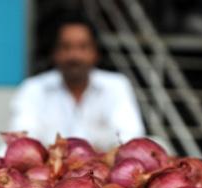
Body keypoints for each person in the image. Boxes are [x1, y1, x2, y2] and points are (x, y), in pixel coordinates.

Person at [8, 14, 145, 151]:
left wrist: (86, 157)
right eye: (66, 47)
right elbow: (21, 140)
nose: (74, 55)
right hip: (49, 167)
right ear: (54, 53)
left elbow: (131, 135)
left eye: (83, 47)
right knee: (3, 150)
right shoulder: (33, 88)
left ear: (96, 52)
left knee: (154, 143)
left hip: (104, 166)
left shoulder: (116, 85)